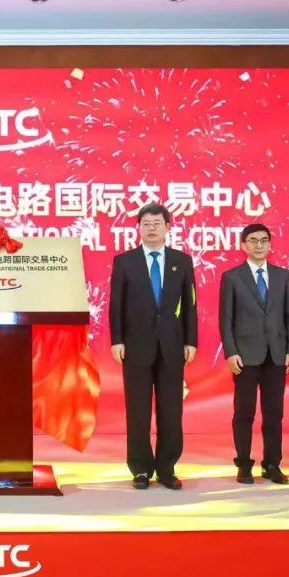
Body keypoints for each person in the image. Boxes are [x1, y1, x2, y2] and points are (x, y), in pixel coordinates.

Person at [108, 203, 197, 490]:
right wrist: (117, 339)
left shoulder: (181, 261)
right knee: (138, 411)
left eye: (157, 223)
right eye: (146, 223)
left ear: (167, 227)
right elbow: (116, 304)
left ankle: (167, 468)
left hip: (172, 346)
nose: (151, 228)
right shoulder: (125, 261)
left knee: (171, 411)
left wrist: (190, 340)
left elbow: (190, 304)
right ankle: (141, 469)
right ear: (138, 228)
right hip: (136, 346)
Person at [218, 224, 289, 485]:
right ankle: (243, 464)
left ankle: (272, 465)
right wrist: (231, 352)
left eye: (264, 240)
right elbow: (226, 319)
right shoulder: (232, 277)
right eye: (253, 240)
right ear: (243, 245)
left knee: (274, 413)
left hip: (277, 354)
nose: (259, 245)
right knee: (244, 412)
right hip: (245, 356)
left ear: (270, 244)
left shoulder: (282, 276)